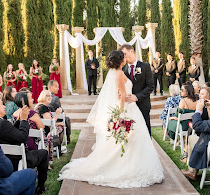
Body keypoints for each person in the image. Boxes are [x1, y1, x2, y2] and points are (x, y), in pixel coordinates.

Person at [58, 50, 164, 187]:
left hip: (132, 108)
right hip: (127, 109)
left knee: (132, 140)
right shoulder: (119, 73)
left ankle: (130, 164)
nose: (125, 58)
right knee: (130, 140)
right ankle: (127, 166)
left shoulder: (117, 72)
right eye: (123, 56)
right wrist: (120, 115)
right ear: (120, 60)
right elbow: (122, 95)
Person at [0, 95, 49, 194]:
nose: (4, 106)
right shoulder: (2, 123)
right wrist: (25, 120)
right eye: (1, 104)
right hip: (16, 160)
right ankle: (40, 187)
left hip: (3, 159)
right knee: (43, 153)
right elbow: (22, 137)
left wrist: (19, 121)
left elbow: (11, 132)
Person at [120, 44, 154, 136]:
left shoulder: (145, 66)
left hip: (143, 105)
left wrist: (137, 97)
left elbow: (150, 86)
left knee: (145, 133)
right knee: (131, 134)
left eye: (125, 53)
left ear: (131, 51)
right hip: (128, 107)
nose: (124, 57)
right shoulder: (122, 70)